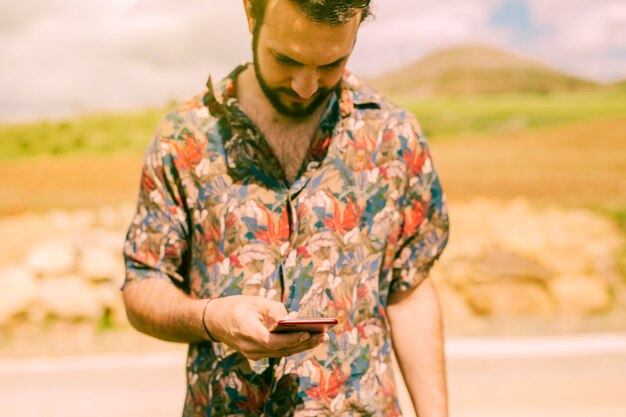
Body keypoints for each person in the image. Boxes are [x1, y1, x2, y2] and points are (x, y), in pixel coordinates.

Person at [122, 0, 450, 415]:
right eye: (286, 59)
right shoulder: (184, 137)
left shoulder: (394, 135)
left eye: (331, 63)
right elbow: (142, 286)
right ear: (250, 13)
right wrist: (210, 319)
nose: (305, 86)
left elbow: (410, 290)